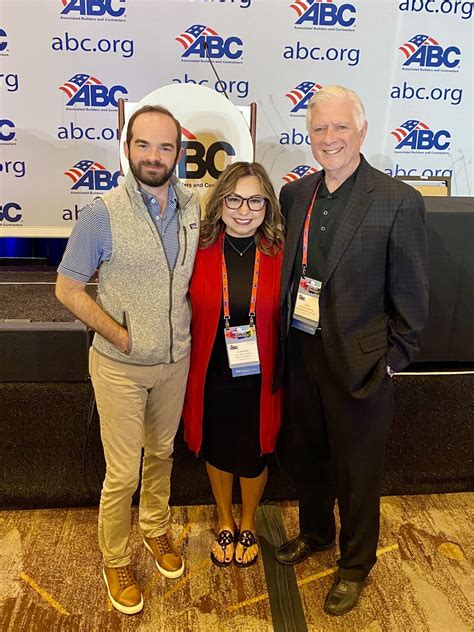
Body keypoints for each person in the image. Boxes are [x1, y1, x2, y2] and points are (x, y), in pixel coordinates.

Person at [274, 86, 429, 615]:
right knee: (308, 454)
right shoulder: (295, 195)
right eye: (319, 128)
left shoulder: (397, 200)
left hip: (362, 364)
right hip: (301, 352)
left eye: (340, 126)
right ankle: (316, 532)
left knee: (358, 472)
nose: (329, 138)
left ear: (362, 131)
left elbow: (412, 295)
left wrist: (391, 361)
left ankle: (355, 564)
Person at [55, 105, 201, 615]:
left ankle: (155, 528)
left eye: (165, 147)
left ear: (179, 153)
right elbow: (67, 288)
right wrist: (119, 334)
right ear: (127, 148)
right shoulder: (102, 213)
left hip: (175, 362)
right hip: (119, 367)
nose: (154, 156)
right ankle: (115, 559)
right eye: (144, 145)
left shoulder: (194, 207)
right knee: (122, 474)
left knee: (161, 454)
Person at [183, 162, 284, 568]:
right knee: (218, 447)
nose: (244, 210)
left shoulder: (280, 253)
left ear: (268, 205)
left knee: (254, 453)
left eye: (255, 200)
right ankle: (225, 519)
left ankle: (248, 522)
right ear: (220, 201)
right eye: (235, 199)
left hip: (261, 375)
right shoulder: (198, 248)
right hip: (211, 372)